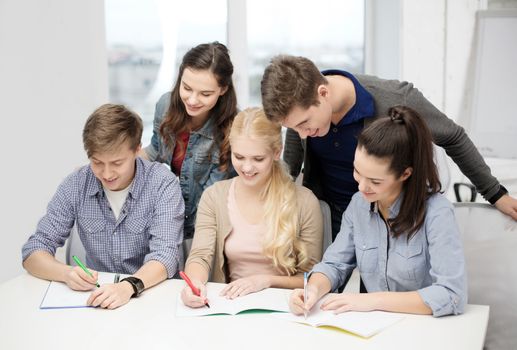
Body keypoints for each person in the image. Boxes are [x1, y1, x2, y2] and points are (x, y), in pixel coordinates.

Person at [261, 55, 517, 239]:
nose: (303, 133)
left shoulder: (395, 99)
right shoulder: (302, 115)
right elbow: (293, 161)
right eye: (293, 128)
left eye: (305, 124)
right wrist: (280, 194)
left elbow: (454, 137)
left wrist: (495, 194)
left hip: (390, 221)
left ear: (323, 94)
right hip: (333, 218)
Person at [289, 106, 467, 317]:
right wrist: (312, 290)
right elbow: (334, 264)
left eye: (375, 181)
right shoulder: (359, 204)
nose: (362, 187)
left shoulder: (437, 213)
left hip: (422, 329)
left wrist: (372, 301)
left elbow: (451, 295)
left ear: (405, 174)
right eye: (357, 171)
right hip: (373, 330)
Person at [22, 104, 185, 309]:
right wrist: (66, 273)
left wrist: (128, 287)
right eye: (97, 162)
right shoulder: (76, 184)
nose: (107, 174)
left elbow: (166, 256)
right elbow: (33, 251)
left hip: (152, 297)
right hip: (99, 299)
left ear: (137, 150)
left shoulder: (162, 184)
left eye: (117, 163)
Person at [181, 108, 323, 308]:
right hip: (231, 306)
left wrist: (265, 281)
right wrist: (194, 284)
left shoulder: (305, 202)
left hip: (286, 309)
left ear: (276, 152)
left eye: (258, 159)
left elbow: (311, 277)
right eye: (239, 157)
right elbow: (200, 256)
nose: (247, 168)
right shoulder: (214, 197)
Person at [140, 42, 238, 239]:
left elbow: (212, 199)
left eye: (205, 94)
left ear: (223, 89)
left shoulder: (234, 127)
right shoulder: (165, 106)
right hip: (171, 218)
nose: (192, 100)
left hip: (210, 226)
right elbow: (156, 150)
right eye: (186, 88)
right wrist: (119, 159)